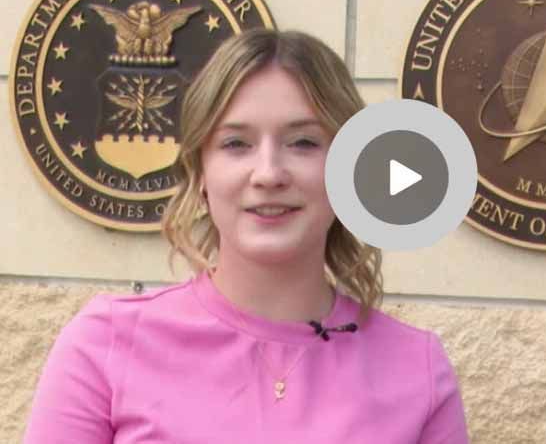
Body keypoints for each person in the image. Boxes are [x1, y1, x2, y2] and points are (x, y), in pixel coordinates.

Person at [23, 29, 469, 443]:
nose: (269, 173)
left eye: (304, 143)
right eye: (236, 144)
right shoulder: (105, 343)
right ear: (200, 173)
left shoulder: (417, 369)